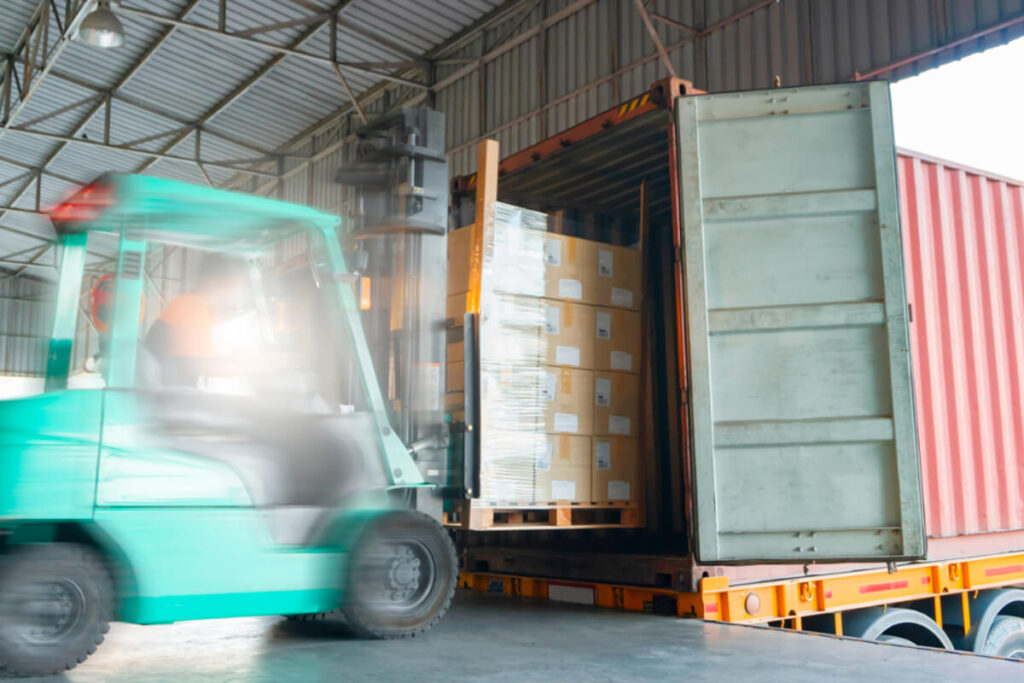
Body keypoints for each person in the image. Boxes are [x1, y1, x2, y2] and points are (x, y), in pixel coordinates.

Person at [144, 253, 250, 388]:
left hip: (167, 391)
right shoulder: (193, 307)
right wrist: (255, 366)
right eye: (234, 286)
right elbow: (207, 366)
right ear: (216, 282)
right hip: (166, 394)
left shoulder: (190, 304)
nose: (234, 294)